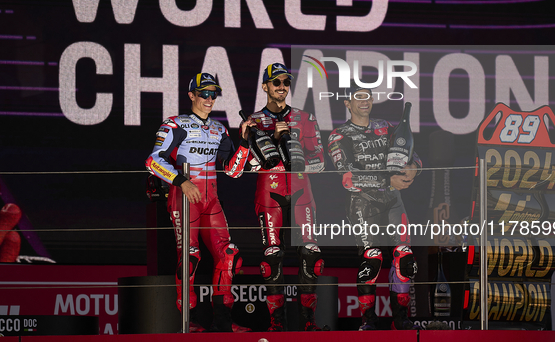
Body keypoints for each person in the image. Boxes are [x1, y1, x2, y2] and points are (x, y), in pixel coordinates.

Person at [145, 73, 253, 333]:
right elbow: (152, 160)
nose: (209, 99)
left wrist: (245, 140)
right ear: (191, 95)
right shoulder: (175, 124)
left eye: (213, 94)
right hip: (184, 199)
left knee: (229, 256)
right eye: (204, 93)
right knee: (190, 257)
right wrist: (181, 181)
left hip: (211, 201)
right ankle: (189, 320)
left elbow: (233, 171)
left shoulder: (219, 129)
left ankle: (223, 321)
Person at [327, 87, 422, 331]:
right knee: (372, 260)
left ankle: (401, 320)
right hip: (362, 203)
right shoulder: (339, 135)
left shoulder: (385, 126)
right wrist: (387, 180)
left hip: (393, 200)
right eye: (358, 97)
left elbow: (410, 154)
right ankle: (368, 321)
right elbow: (347, 179)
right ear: (348, 103)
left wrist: (415, 167)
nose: (364, 101)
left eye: (368, 96)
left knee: (405, 258)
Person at [244, 63, 326, 331]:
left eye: (286, 82)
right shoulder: (253, 121)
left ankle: (308, 322)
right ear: (265, 86)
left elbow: (321, 163)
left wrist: (296, 152)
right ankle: (275, 323)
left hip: (303, 191)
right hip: (269, 192)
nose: (282, 87)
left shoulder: (305, 117)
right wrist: (270, 148)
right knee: (272, 256)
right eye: (276, 82)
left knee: (311, 255)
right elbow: (247, 166)